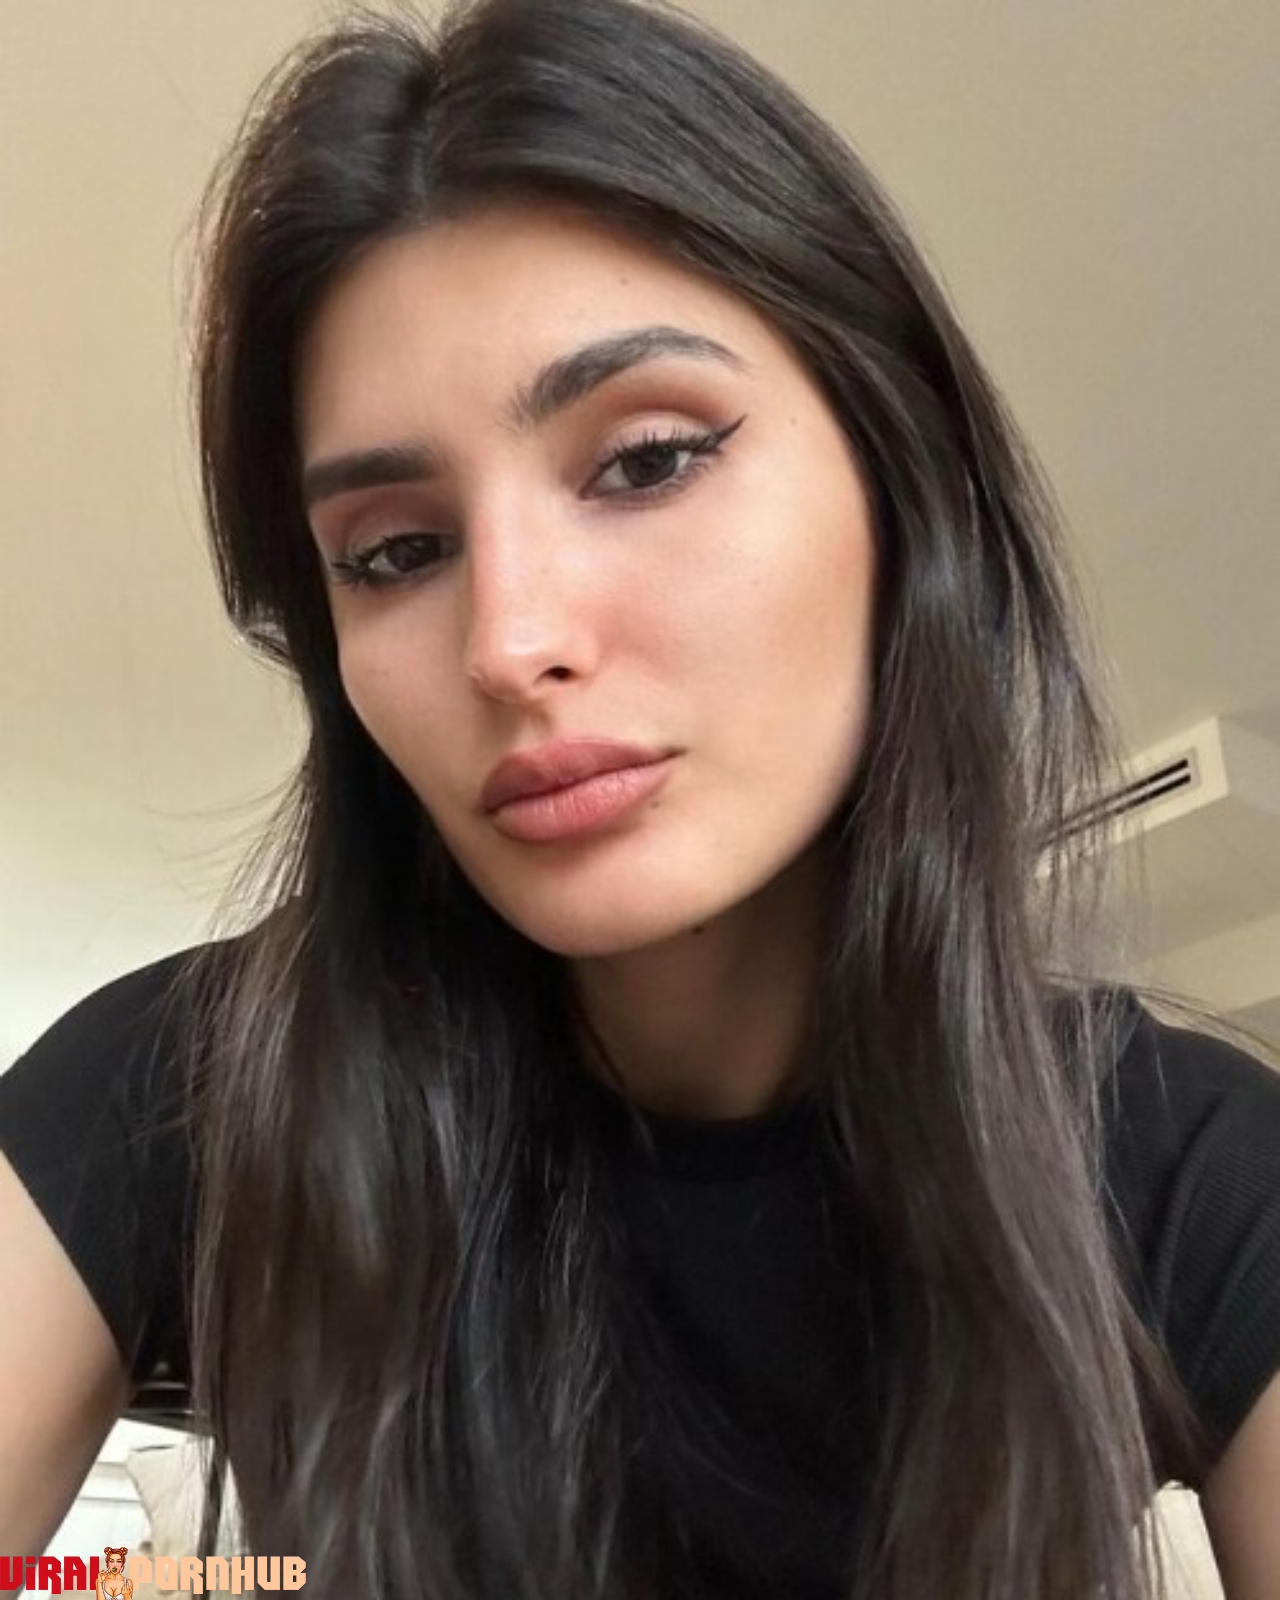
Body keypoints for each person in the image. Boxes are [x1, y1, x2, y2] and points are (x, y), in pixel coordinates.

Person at [1, 0, 1277, 1596]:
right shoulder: (185, 1093)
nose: (510, 641)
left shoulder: (1189, 1167)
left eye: (648, 460)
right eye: (397, 552)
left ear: (907, 488)